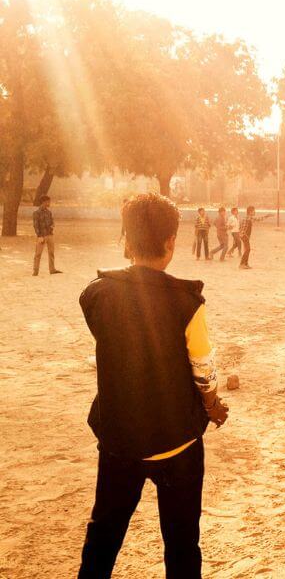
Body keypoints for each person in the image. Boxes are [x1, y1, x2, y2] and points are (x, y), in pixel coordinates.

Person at [77, 193, 229, 578]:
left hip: (119, 441)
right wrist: (212, 405)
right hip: (176, 441)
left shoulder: (96, 294)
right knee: (181, 545)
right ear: (170, 242)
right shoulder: (188, 302)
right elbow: (202, 367)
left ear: (126, 241)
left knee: (103, 538)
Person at [32, 195, 62, 276]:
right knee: (38, 254)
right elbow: (36, 225)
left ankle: (52, 269)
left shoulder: (49, 212)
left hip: (50, 235)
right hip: (42, 236)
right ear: (43, 202)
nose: (49, 203)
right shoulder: (36, 213)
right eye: (48, 201)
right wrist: (39, 236)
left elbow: (52, 222)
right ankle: (35, 271)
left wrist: (52, 226)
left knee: (51, 253)